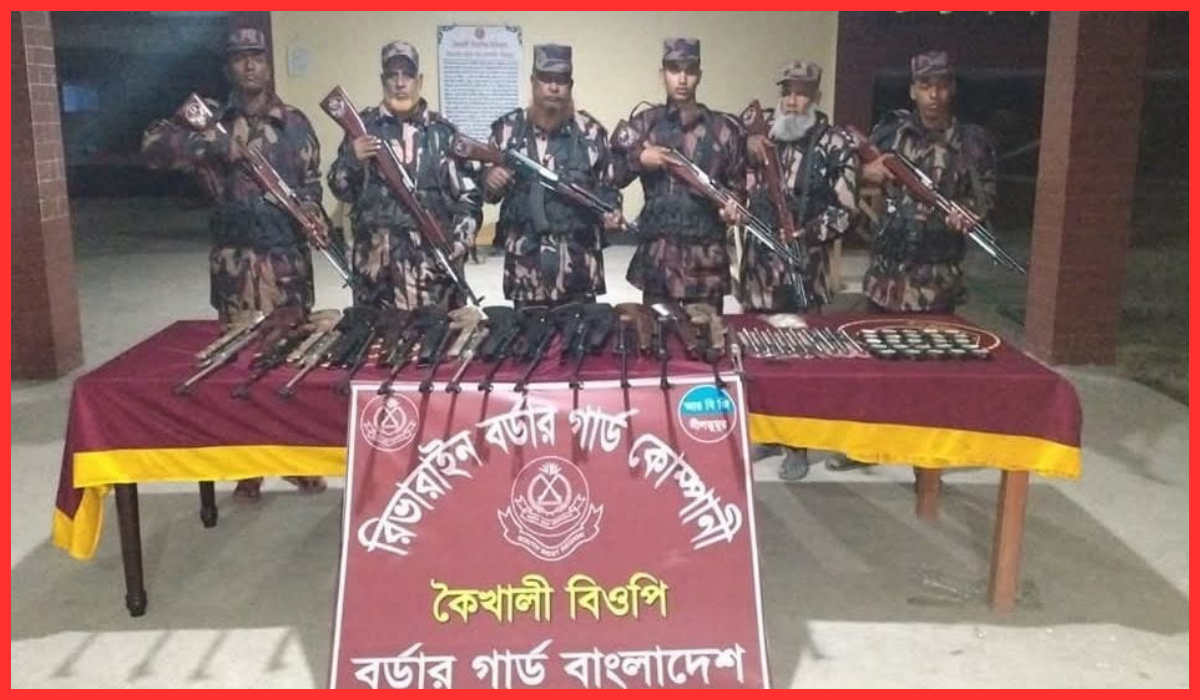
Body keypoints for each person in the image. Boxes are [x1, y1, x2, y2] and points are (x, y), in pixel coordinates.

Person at [141, 27, 327, 500]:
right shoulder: (212, 121)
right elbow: (153, 147)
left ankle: (296, 460)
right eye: (240, 58)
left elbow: (310, 184)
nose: (249, 65)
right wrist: (210, 146)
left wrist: (313, 217)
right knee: (239, 362)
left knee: (289, 363)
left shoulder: (295, 123)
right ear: (229, 68)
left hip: (285, 262)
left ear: (268, 64)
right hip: (235, 264)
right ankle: (248, 466)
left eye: (256, 57)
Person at [830, 49, 997, 474]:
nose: (933, 95)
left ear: (952, 88)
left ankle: (928, 449)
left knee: (933, 369)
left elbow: (985, 196)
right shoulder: (890, 133)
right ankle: (864, 445)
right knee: (871, 364)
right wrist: (867, 172)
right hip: (887, 273)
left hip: (937, 276)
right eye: (925, 86)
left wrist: (969, 214)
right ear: (912, 90)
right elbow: (848, 169)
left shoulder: (972, 142)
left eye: (941, 85)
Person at [740, 59, 859, 480]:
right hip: (759, 269)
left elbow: (846, 211)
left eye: (803, 92)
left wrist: (805, 233)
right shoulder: (762, 136)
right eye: (787, 91)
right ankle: (768, 433)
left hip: (804, 269)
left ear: (817, 96)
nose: (793, 100)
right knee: (759, 355)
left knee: (801, 361)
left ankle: (798, 445)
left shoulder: (833, 144)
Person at [327, 40, 482, 311]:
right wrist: (352, 159)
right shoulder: (362, 129)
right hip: (376, 276)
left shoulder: (442, 133)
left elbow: (469, 197)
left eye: (408, 75)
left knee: (437, 337)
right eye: (392, 75)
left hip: (433, 276)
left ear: (419, 81)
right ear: (382, 80)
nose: (400, 83)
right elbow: (341, 189)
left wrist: (459, 243)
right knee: (374, 337)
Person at [610, 37, 746, 313]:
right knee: (656, 334)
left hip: (705, 264)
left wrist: (732, 211)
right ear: (662, 75)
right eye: (674, 70)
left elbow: (738, 187)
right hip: (659, 261)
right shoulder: (645, 124)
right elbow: (614, 176)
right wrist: (640, 159)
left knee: (708, 333)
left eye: (690, 71)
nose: (682, 79)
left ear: (699, 75)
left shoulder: (723, 130)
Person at [483, 44, 620, 309]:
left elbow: (609, 188)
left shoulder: (591, 133)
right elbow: (487, 194)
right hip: (526, 271)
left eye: (561, 80)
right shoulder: (507, 131)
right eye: (546, 79)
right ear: (533, 82)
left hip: (578, 268)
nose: (554, 87)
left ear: (570, 85)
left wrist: (613, 212)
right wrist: (491, 178)